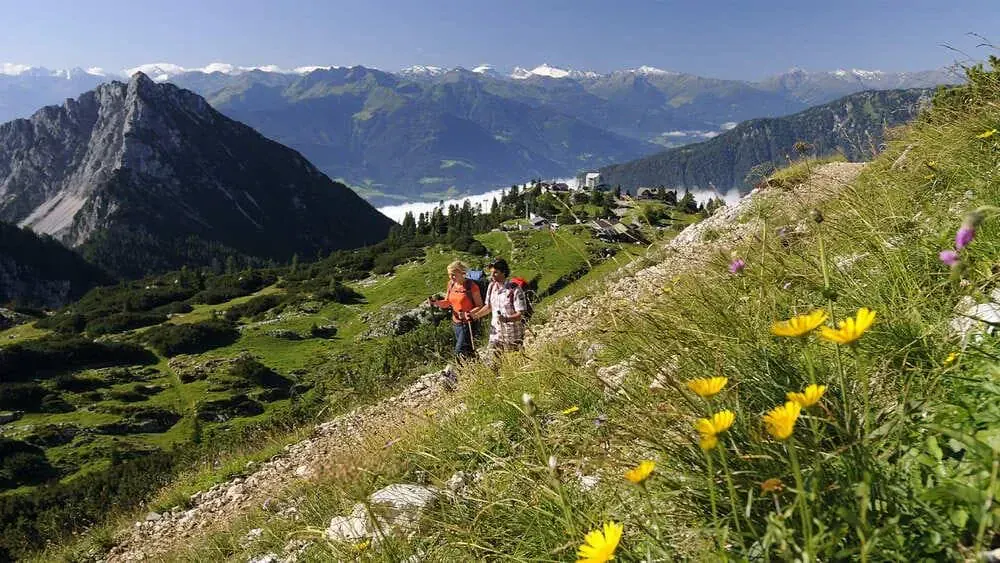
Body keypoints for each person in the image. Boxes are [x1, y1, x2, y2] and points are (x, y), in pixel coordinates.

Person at [471, 258, 528, 360]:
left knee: (515, 362)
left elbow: (521, 314)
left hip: (512, 334)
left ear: (504, 272)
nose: (492, 276)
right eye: (491, 273)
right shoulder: (492, 286)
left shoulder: (514, 289)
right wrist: (475, 316)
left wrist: (506, 319)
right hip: (496, 333)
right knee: (493, 360)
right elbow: (488, 307)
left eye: (495, 273)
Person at [428, 260, 483, 360]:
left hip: (468, 323)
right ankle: (478, 369)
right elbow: (448, 302)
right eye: (449, 275)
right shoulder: (451, 285)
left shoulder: (472, 286)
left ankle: (460, 372)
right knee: (468, 349)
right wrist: (435, 303)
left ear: (462, 272)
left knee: (459, 350)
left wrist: (469, 313)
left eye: (453, 274)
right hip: (456, 323)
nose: (451, 277)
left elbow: (480, 305)